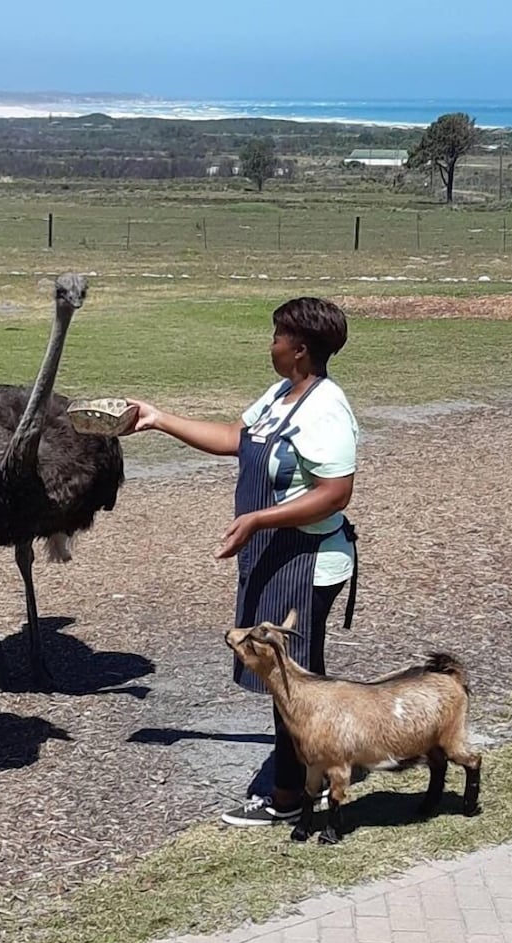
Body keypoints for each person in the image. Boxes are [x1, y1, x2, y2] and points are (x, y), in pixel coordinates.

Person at [126, 296, 358, 827]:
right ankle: (314, 774)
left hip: (308, 562)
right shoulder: (283, 395)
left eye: (277, 336)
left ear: (299, 349)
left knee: (289, 678)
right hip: (276, 555)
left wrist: (258, 519)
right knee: (288, 676)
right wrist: (159, 419)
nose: (270, 344)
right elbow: (237, 438)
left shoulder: (326, 408)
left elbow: (335, 493)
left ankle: (288, 794)